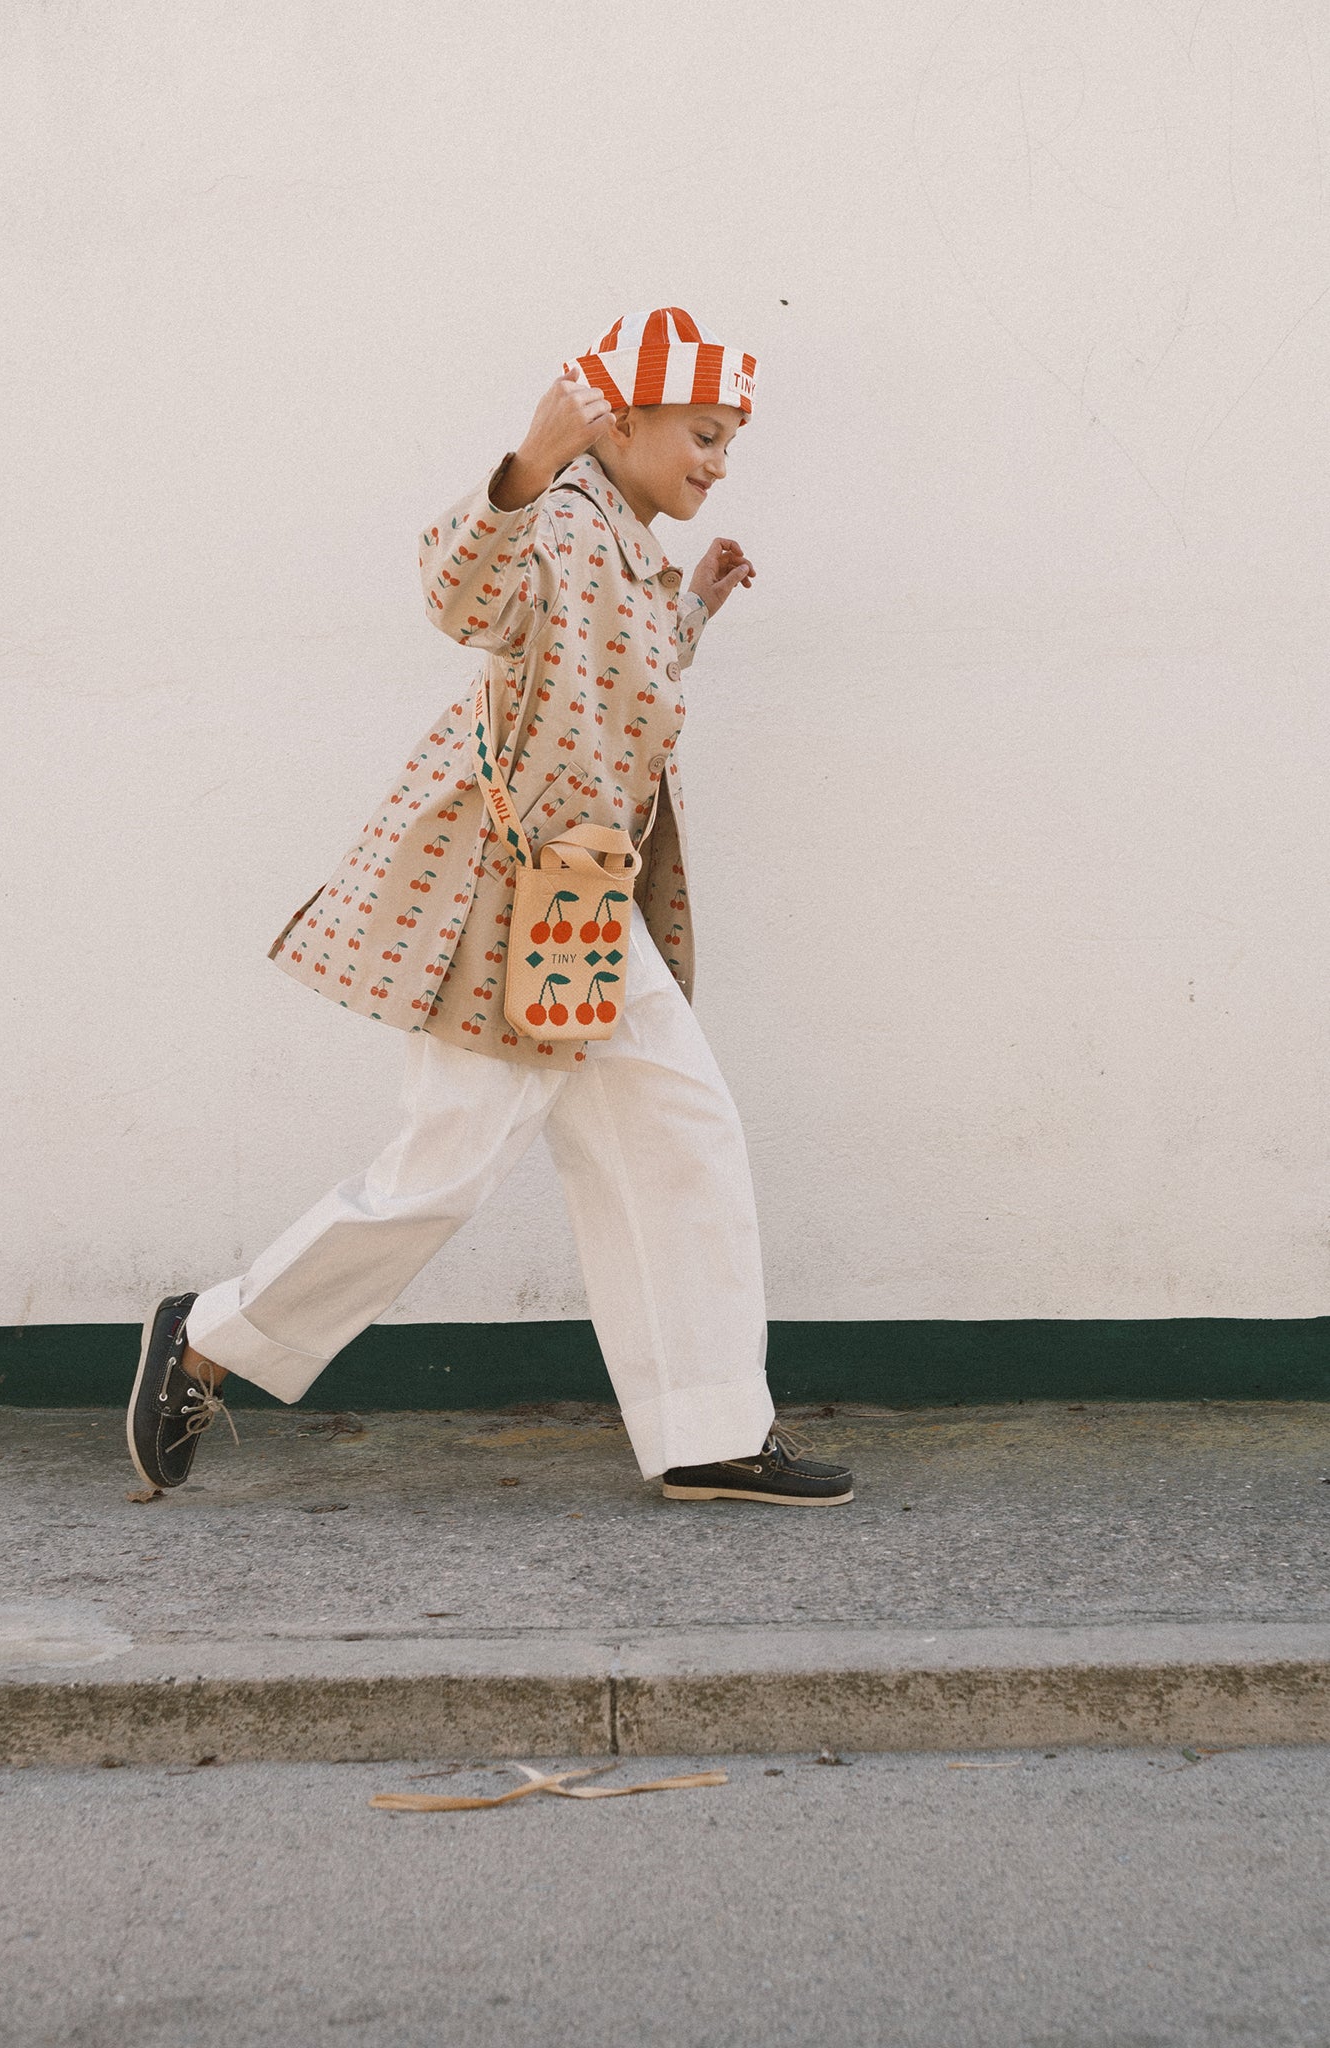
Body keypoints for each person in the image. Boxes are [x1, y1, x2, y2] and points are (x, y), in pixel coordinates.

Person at [127, 305, 853, 1507]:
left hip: (576, 906)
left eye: (729, 440)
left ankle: (709, 1428)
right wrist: (523, 458)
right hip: (506, 902)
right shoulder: (559, 518)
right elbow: (461, 598)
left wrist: (693, 613)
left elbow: (605, 690)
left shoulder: (618, 538)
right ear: (617, 425)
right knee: (444, 1165)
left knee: (681, 1135)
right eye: (704, 432)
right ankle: (207, 1338)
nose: (719, 461)